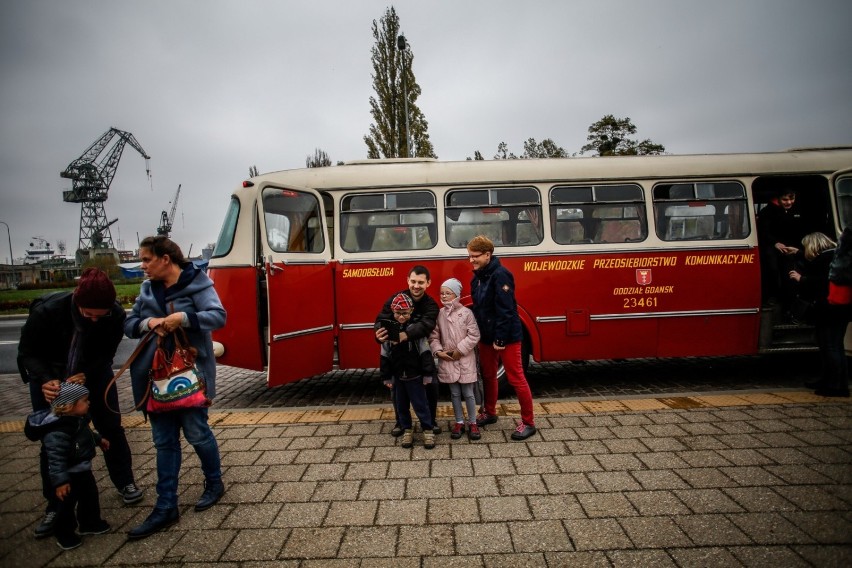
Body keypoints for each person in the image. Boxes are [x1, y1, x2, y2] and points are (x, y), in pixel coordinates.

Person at [17, 268, 143, 539]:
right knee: (54, 438)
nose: (95, 321)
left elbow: (107, 354)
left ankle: (125, 482)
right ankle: (55, 504)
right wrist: (47, 379)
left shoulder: (115, 315)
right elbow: (28, 352)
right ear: (76, 300)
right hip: (51, 382)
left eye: (102, 315)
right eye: (89, 315)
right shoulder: (47, 311)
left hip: (94, 377)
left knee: (111, 427)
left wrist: (86, 372)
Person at [124, 236, 227, 539]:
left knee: (197, 432)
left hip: (189, 374)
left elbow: (218, 316)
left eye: (146, 259)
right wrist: (150, 322)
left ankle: (214, 482)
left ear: (165, 259)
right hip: (155, 377)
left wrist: (182, 318)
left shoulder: (199, 283)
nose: (142, 266)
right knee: (163, 440)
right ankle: (166, 505)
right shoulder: (147, 290)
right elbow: (130, 325)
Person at [25, 382, 111, 551]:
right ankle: (65, 534)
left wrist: (99, 440)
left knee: (90, 497)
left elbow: (86, 434)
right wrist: (60, 482)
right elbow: (55, 460)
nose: (89, 403)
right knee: (64, 507)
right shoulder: (57, 431)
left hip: (83, 470)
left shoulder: (77, 420)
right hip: (68, 476)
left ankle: (90, 523)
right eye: (84, 401)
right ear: (70, 406)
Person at [467, 235, 537, 440]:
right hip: (486, 336)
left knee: (516, 378)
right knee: (488, 375)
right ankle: (489, 412)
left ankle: (529, 422)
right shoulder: (477, 277)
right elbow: (480, 310)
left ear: (488, 255)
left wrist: (500, 339)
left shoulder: (501, 275)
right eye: (469, 256)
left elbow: (506, 311)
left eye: (475, 256)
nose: (471, 260)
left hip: (506, 337)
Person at [374, 265, 441, 436]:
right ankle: (401, 423)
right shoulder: (395, 299)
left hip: (421, 354)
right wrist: (378, 334)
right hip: (398, 356)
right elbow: (381, 319)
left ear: (428, 283)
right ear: (407, 280)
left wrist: (405, 334)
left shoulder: (431, 305)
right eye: (413, 281)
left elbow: (426, 325)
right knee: (397, 390)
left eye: (420, 282)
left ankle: (431, 422)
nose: (416, 286)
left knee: (431, 384)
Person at [789, 232, 850, 397]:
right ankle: (831, 381)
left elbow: (822, 283)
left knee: (830, 346)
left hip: (830, 310)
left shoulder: (825, 261)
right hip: (839, 309)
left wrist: (802, 280)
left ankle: (837, 386)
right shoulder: (835, 257)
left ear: (814, 246)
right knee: (834, 346)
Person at [379, 293, 437, 449]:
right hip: (398, 378)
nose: (401, 316)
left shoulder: (416, 332)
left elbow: (425, 354)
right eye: (398, 313)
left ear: (411, 311)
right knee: (401, 406)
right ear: (393, 312)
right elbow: (385, 355)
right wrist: (387, 377)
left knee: (421, 405)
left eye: (405, 313)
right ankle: (407, 430)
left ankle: (427, 430)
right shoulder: (389, 331)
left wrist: (427, 374)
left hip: (415, 376)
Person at [429, 278, 482, 440]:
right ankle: (459, 421)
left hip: (465, 360)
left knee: (469, 393)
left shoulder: (466, 313)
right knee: (454, 393)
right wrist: (438, 352)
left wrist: (460, 350)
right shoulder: (440, 314)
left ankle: (473, 422)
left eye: (448, 293)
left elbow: (474, 335)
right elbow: (434, 337)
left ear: (456, 295)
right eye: (442, 293)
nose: (444, 296)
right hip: (448, 360)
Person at [758, 189, 806, 307]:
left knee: (790, 272)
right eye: (785, 199)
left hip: (792, 247)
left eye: (792, 199)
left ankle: (791, 300)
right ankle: (773, 296)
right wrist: (775, 243)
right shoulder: (766, 212)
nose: (789, 202)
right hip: (772, 246)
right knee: (772, 268)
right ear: (778, 198)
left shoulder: (798, 210)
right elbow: (763, 232)